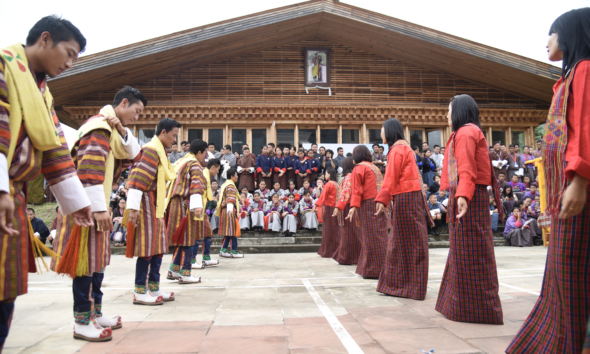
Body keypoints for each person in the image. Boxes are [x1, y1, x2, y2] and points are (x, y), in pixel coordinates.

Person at [508, 14, 590, 352]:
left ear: (570, 35)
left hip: (578, 189)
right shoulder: (567, 78)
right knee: (564, 268)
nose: (547, 40)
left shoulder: (585, 70)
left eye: (551, 33)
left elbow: (585, 128)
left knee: (572, 267)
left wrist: (580, 180)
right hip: (565, 189)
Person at [51, 85, 145, 340]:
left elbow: (136, 154)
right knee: (85, 265)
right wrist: (99, 210)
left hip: (95, 206)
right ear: (123, 103)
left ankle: (95, 312)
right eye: (136, 112)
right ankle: (82, 320)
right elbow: (90, 172)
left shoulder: (111, 130)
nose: (137, 118)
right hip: (87, 209)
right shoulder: (99, 128)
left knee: (96, 262)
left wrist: (124, 129)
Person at [436, 94, 503, 325]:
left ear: (460, 111)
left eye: (449, 110)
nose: (447, 115)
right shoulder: (470, 131)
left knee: (469, 251)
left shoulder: (465, 132)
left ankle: (472, 307)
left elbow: (466, 166)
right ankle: (462, 303)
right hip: (473, 194)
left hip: (469, 196)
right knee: (467, 249)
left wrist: (463, 193)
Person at [374, 118, 430, 299]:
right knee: (409, 241)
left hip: (406, 197)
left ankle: (404, 285)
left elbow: (390, 177)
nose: (381, 133)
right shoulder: (403, 147)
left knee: (402, 241)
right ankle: (409, 284)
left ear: (389, 131)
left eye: (382, 130)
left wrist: (382, 199)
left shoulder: (397, 149)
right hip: (409, 196)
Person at [126, 118, 180, 305]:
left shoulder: (160, 151)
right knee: (147, 248)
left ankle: (154, 287)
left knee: (157, 248)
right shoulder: (151, 150)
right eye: (173, 136)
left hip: (156, 204)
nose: (175, 140)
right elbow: (137, 179)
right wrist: (133, 208)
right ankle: (140, 290)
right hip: (146, 202)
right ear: (163, 133)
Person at [165, 139, 208, 285]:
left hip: (174, 203)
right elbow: (196, 185)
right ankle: (185, 273)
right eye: (205, 153)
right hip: (186, 204)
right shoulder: (194, 163)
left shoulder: (180, 162)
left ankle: (174, 269)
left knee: (181, 239)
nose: (205, 157)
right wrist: (197, 206)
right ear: (199, 152)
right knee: (189, 238)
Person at [346, 146, 388, 278]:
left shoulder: (359, 168)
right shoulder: (374, 167)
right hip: (380, 202)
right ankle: (380, 267)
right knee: (380, 236)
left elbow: (356, 189)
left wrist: (353, 206)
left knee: (370, 237)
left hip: (369, 203)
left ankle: (373, 270)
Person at [332, 157, 362, 265]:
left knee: (349, 234)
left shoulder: (349, 177)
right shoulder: (352, 176)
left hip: (348, 207)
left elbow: (346, 194)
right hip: (350, 206)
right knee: (353, 233)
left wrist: (338, 207)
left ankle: (347, 257)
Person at [192, 158, 220, 268]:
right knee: (197, 235)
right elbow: (197, 191)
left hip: (203, 209)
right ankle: (192, 260)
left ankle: (206, 258)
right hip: (198, 209)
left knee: (208, 233)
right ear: (213, 167)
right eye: (217, 169)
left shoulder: (207, 175)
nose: (218, 171)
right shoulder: (203, 175)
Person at [217, 168, 244, 258]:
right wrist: (230, 210)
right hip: (229, 210)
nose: (237, 176)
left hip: (225, 210)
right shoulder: (231, 186)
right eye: (236, 175)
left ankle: (223, 250)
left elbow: (218, 197)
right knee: (232, 231)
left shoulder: (224, 184)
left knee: (228, 232)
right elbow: (231, 199)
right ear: (232, 176)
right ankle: (234, 251)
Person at [313, 169, 339, 257]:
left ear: (329, 174)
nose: (325, 175)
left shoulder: (329, 184)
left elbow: (322, 196)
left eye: (326, 173)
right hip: (335, 208)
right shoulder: (336, 184)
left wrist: (316, 206)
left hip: (329, 208)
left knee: (327, 230)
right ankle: (335, 249)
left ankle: (327, 251)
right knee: (334, 230)